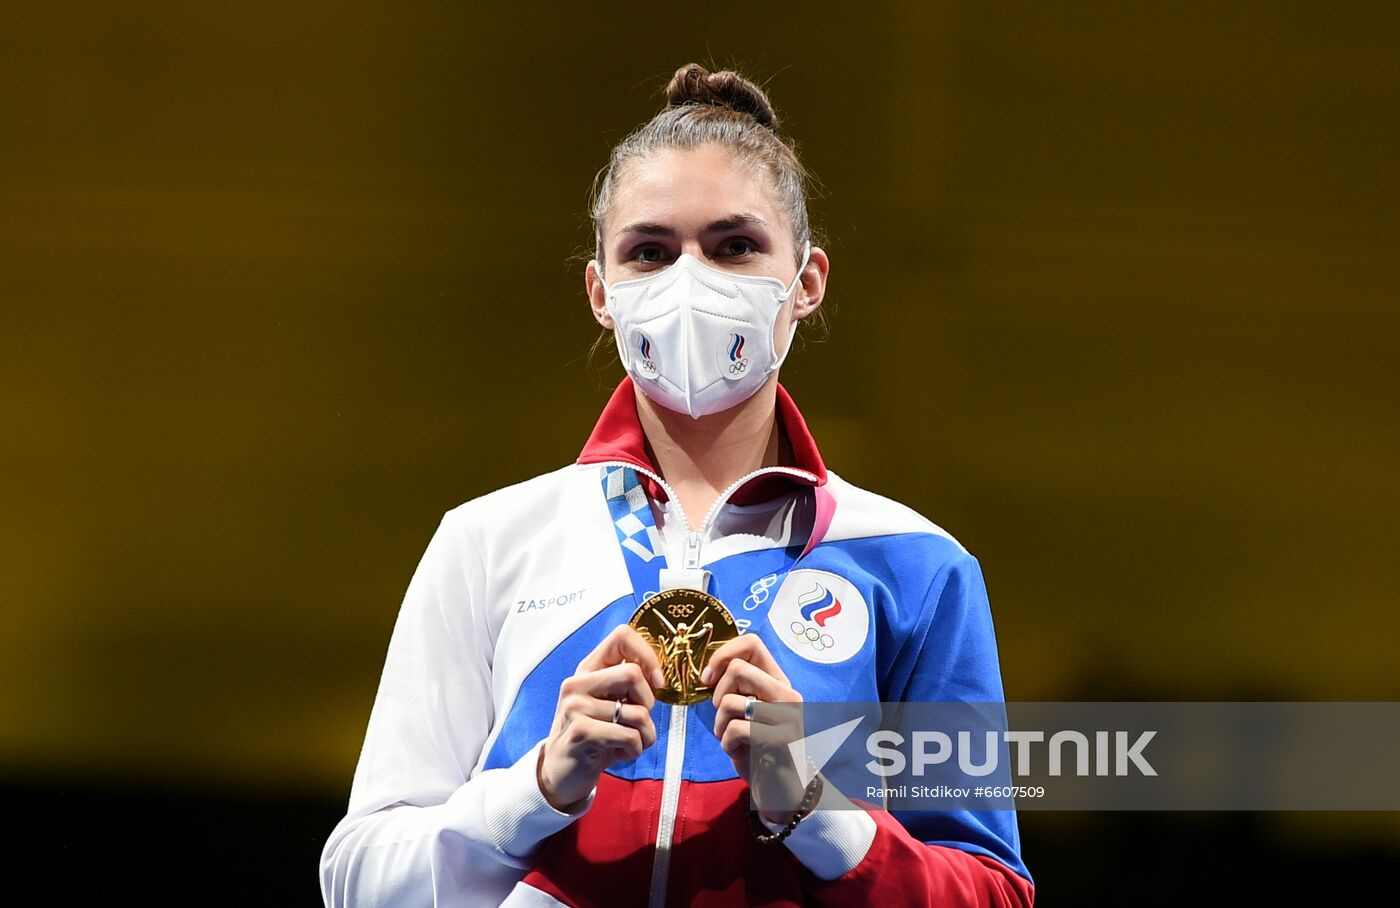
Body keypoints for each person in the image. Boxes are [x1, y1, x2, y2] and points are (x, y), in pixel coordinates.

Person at [320, 63, 1035, 908]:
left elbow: (990, 893)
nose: (689, 280)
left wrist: (819, 809)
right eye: (650, 252)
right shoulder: (487, 543)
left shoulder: (916, 568)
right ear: (602, 293)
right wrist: (536, 787)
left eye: (734, 245)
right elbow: (358, 879)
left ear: (805, 282)